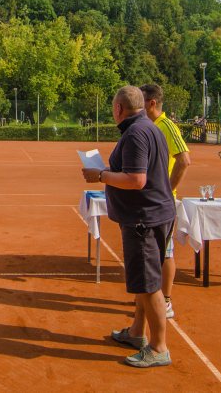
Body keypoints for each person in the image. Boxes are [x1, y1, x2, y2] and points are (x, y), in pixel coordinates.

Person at [82, 85, 175, 368]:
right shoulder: (149, 127)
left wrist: (100, 175)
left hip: (143, 219)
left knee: (148, 285)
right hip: (154, 214)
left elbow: (136, 180)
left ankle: (159, 347)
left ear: (119, 109)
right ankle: (137, 332)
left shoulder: (135, 134)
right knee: (143, 280)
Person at [141, 84, 191, 319]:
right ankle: (150, 298)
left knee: (166, 253)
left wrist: (168, 190)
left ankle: (167, 300)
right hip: (150, 201)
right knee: (152, 252)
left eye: (141, 102)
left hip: (163, 203)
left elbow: (184, 160)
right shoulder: (149, 126)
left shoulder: (167, 126)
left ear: (152, 103)